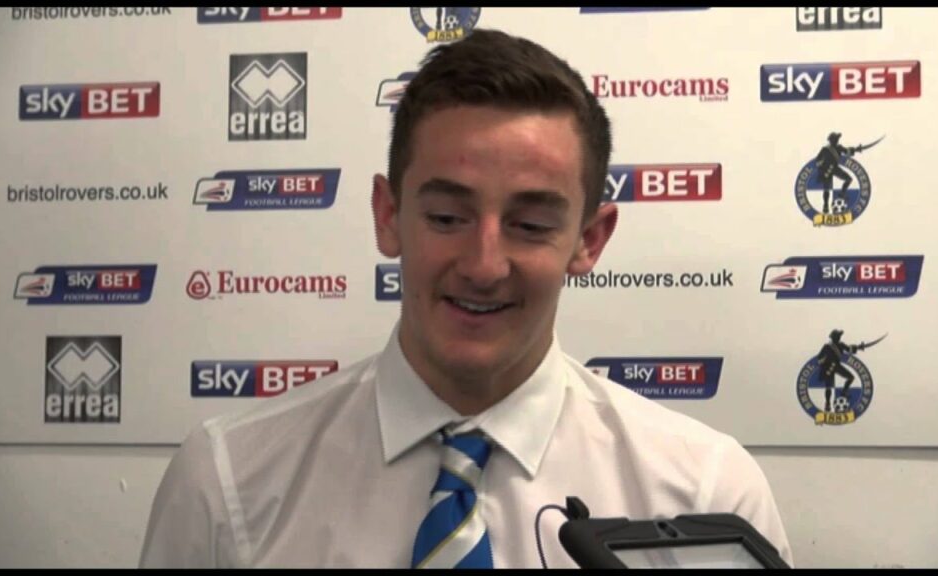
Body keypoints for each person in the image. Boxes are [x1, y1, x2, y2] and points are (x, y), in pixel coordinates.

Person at [139, 29, 793, 568]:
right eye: (448, 217)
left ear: (589, 240)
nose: (484, 266)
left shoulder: (705, 493)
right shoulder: (227, 483)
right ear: (388, 216)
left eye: (531, 225)